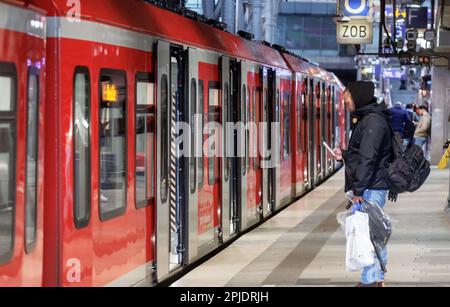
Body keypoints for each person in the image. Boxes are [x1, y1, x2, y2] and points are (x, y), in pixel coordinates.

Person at [332, 81, 393, 288]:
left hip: (371, 188)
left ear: (357, 96)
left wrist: (358, 190)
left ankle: (371, 281)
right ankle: (374, 279)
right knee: (371, 233)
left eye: (348, 97)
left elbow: (368, 158)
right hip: (371, 185)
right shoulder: (369, 119)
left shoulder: (372, 122)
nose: (346, 102)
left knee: (370, 236)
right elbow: (363, 154)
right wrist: (345, 155)